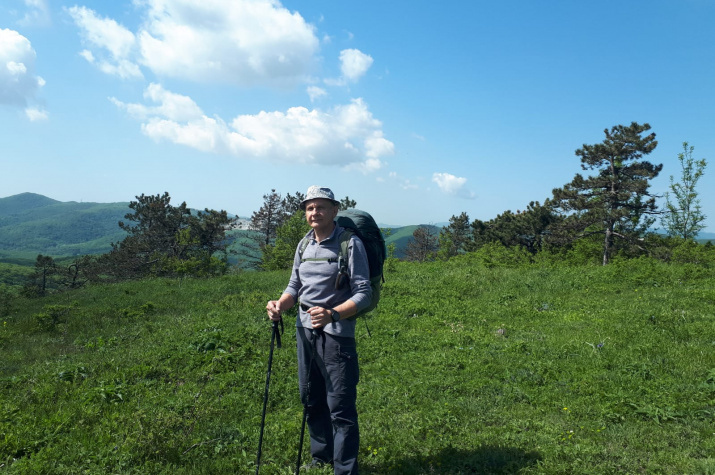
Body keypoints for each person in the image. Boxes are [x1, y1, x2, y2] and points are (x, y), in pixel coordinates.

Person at [266, 186, 372, 474]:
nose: (315, 212)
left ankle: (345, 469)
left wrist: (333, 314)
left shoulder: (349, 244)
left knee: (340, 405)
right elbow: (294, 287)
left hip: (337, 334)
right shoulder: (304, 245)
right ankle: (321, 456)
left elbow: (364, 294)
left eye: (321, 207)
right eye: (310, 208)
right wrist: (279, 305)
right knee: (310, 397)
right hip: (304, 331)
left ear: (335, 210)